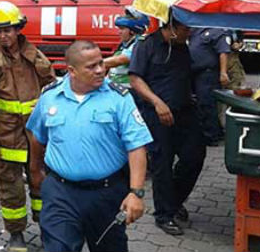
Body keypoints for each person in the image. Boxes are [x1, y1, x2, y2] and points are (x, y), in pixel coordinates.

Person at [26, 40, 152, 252]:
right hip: (60, 192)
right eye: (91, 66)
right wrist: (34, 170)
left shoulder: (119, 98)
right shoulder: (50, 98)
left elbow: (137, 146)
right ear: (72, 71)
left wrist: (136, 193)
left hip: (107, 193)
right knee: (57, 248)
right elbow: (36, 136)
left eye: (101, 63)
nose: (100, 70)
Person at [0, 1, 56, 251]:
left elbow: (51, 87)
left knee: (42, 184)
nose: (2, 36)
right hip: (7, 139)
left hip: (36, 138)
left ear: (18, 28)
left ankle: (46, 228)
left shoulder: (33, 55)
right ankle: (16, 234)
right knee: (12, 191)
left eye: (7, 30)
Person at [129, 16, 205, 236]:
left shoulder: (182, 47)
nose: (189, 33)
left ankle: (173, 200)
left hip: (185, 111)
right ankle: (164, 215)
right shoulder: (147, 45)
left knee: (194, 156)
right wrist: (157, 102)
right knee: (162, 163)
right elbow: (135, 79)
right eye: (185, 29)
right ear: (171, 27)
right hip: (157, 114)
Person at [189, 28, 231, 146]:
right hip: (195, 74)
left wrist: (223, 72)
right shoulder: (196, 30)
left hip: (208, 73)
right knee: (200, 104)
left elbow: (223, 52)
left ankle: (211, 136)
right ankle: (215, 131)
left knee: (206, 103)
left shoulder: (217, 31)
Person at [104, 7, 149, 86]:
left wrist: (91, 64)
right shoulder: (125, 44)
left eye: (122, 29)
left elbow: (120, 60)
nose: (119, 32)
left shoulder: (139, 44)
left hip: (128, 93)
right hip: (116, 90)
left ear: (133, 31)